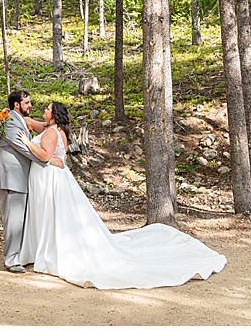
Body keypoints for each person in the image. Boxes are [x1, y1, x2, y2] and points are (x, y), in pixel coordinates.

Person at [16, 101, 226, 289]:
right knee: (55, 216)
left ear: (53, 115)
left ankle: (52, 252)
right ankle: (49, 249)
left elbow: (45, 154)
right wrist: (15, 115)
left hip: (51, 179)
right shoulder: (55, 129)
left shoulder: (52, 132)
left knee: (52, 216)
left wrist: (26, 142)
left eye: (47, 109)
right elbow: (41, 135)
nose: (43, 110)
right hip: (56, 177)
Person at [0, 89, 46, 273]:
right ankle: (11, 260)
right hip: (11, 177)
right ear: (17, 105)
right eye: (27, 103)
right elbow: (24, 148)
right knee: (13, 219)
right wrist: (46, 161)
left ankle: (18, 255)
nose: (30, 105)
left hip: (19, 176)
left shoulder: (18, 120)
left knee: (17, 219)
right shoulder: (9, 122)